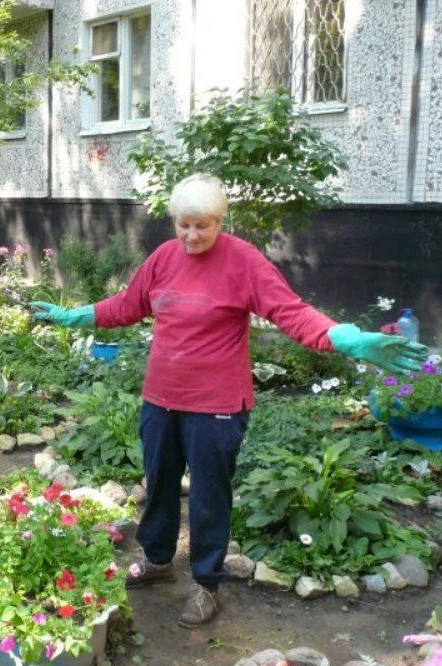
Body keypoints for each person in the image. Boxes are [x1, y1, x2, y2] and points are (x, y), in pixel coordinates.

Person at [31, 173, 426, 628]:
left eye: (203, 225)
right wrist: (74, 315)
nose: (192, 235)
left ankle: (207, 584)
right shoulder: (164, 257)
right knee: (157, 482)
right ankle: (159, 561)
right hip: (161, 398)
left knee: (208, 494)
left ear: (220, 221)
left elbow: (291, 312)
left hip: (217, 404)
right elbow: (129, 303)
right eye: (183, 225)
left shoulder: (243, 262)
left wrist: (345, 337)